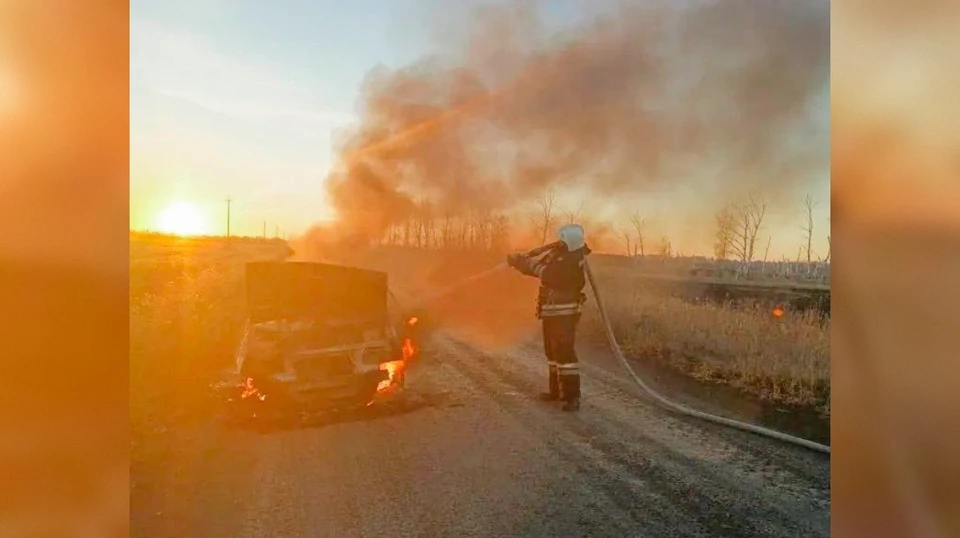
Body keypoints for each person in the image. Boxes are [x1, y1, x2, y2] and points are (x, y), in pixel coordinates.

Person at [507, 224, 591, 411]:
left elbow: (546, 274)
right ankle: (556, 391)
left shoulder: (570, 259)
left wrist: (523, 263)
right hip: (552, 311)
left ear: (568, 240)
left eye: (562, 239)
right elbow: (538, 266)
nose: (558, 242)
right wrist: (519, 261)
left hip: (565, 313)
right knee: (552, 353)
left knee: (565, 355)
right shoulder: (561, 255)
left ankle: (572, 397)